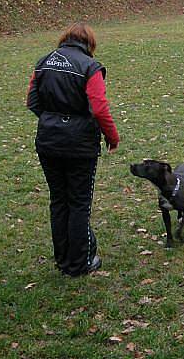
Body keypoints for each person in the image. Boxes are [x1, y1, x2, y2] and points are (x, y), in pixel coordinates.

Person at [26, 23, 120, 276]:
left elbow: (32, 101)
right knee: (78, 203)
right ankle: (79, 263)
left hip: (48, 142)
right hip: (80, 147)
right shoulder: (90, 67)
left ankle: (63, 259)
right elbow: (99, 107)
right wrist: (112, 136)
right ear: (89, 43)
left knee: (59, 201)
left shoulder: (43, 62)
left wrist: (52, 121)